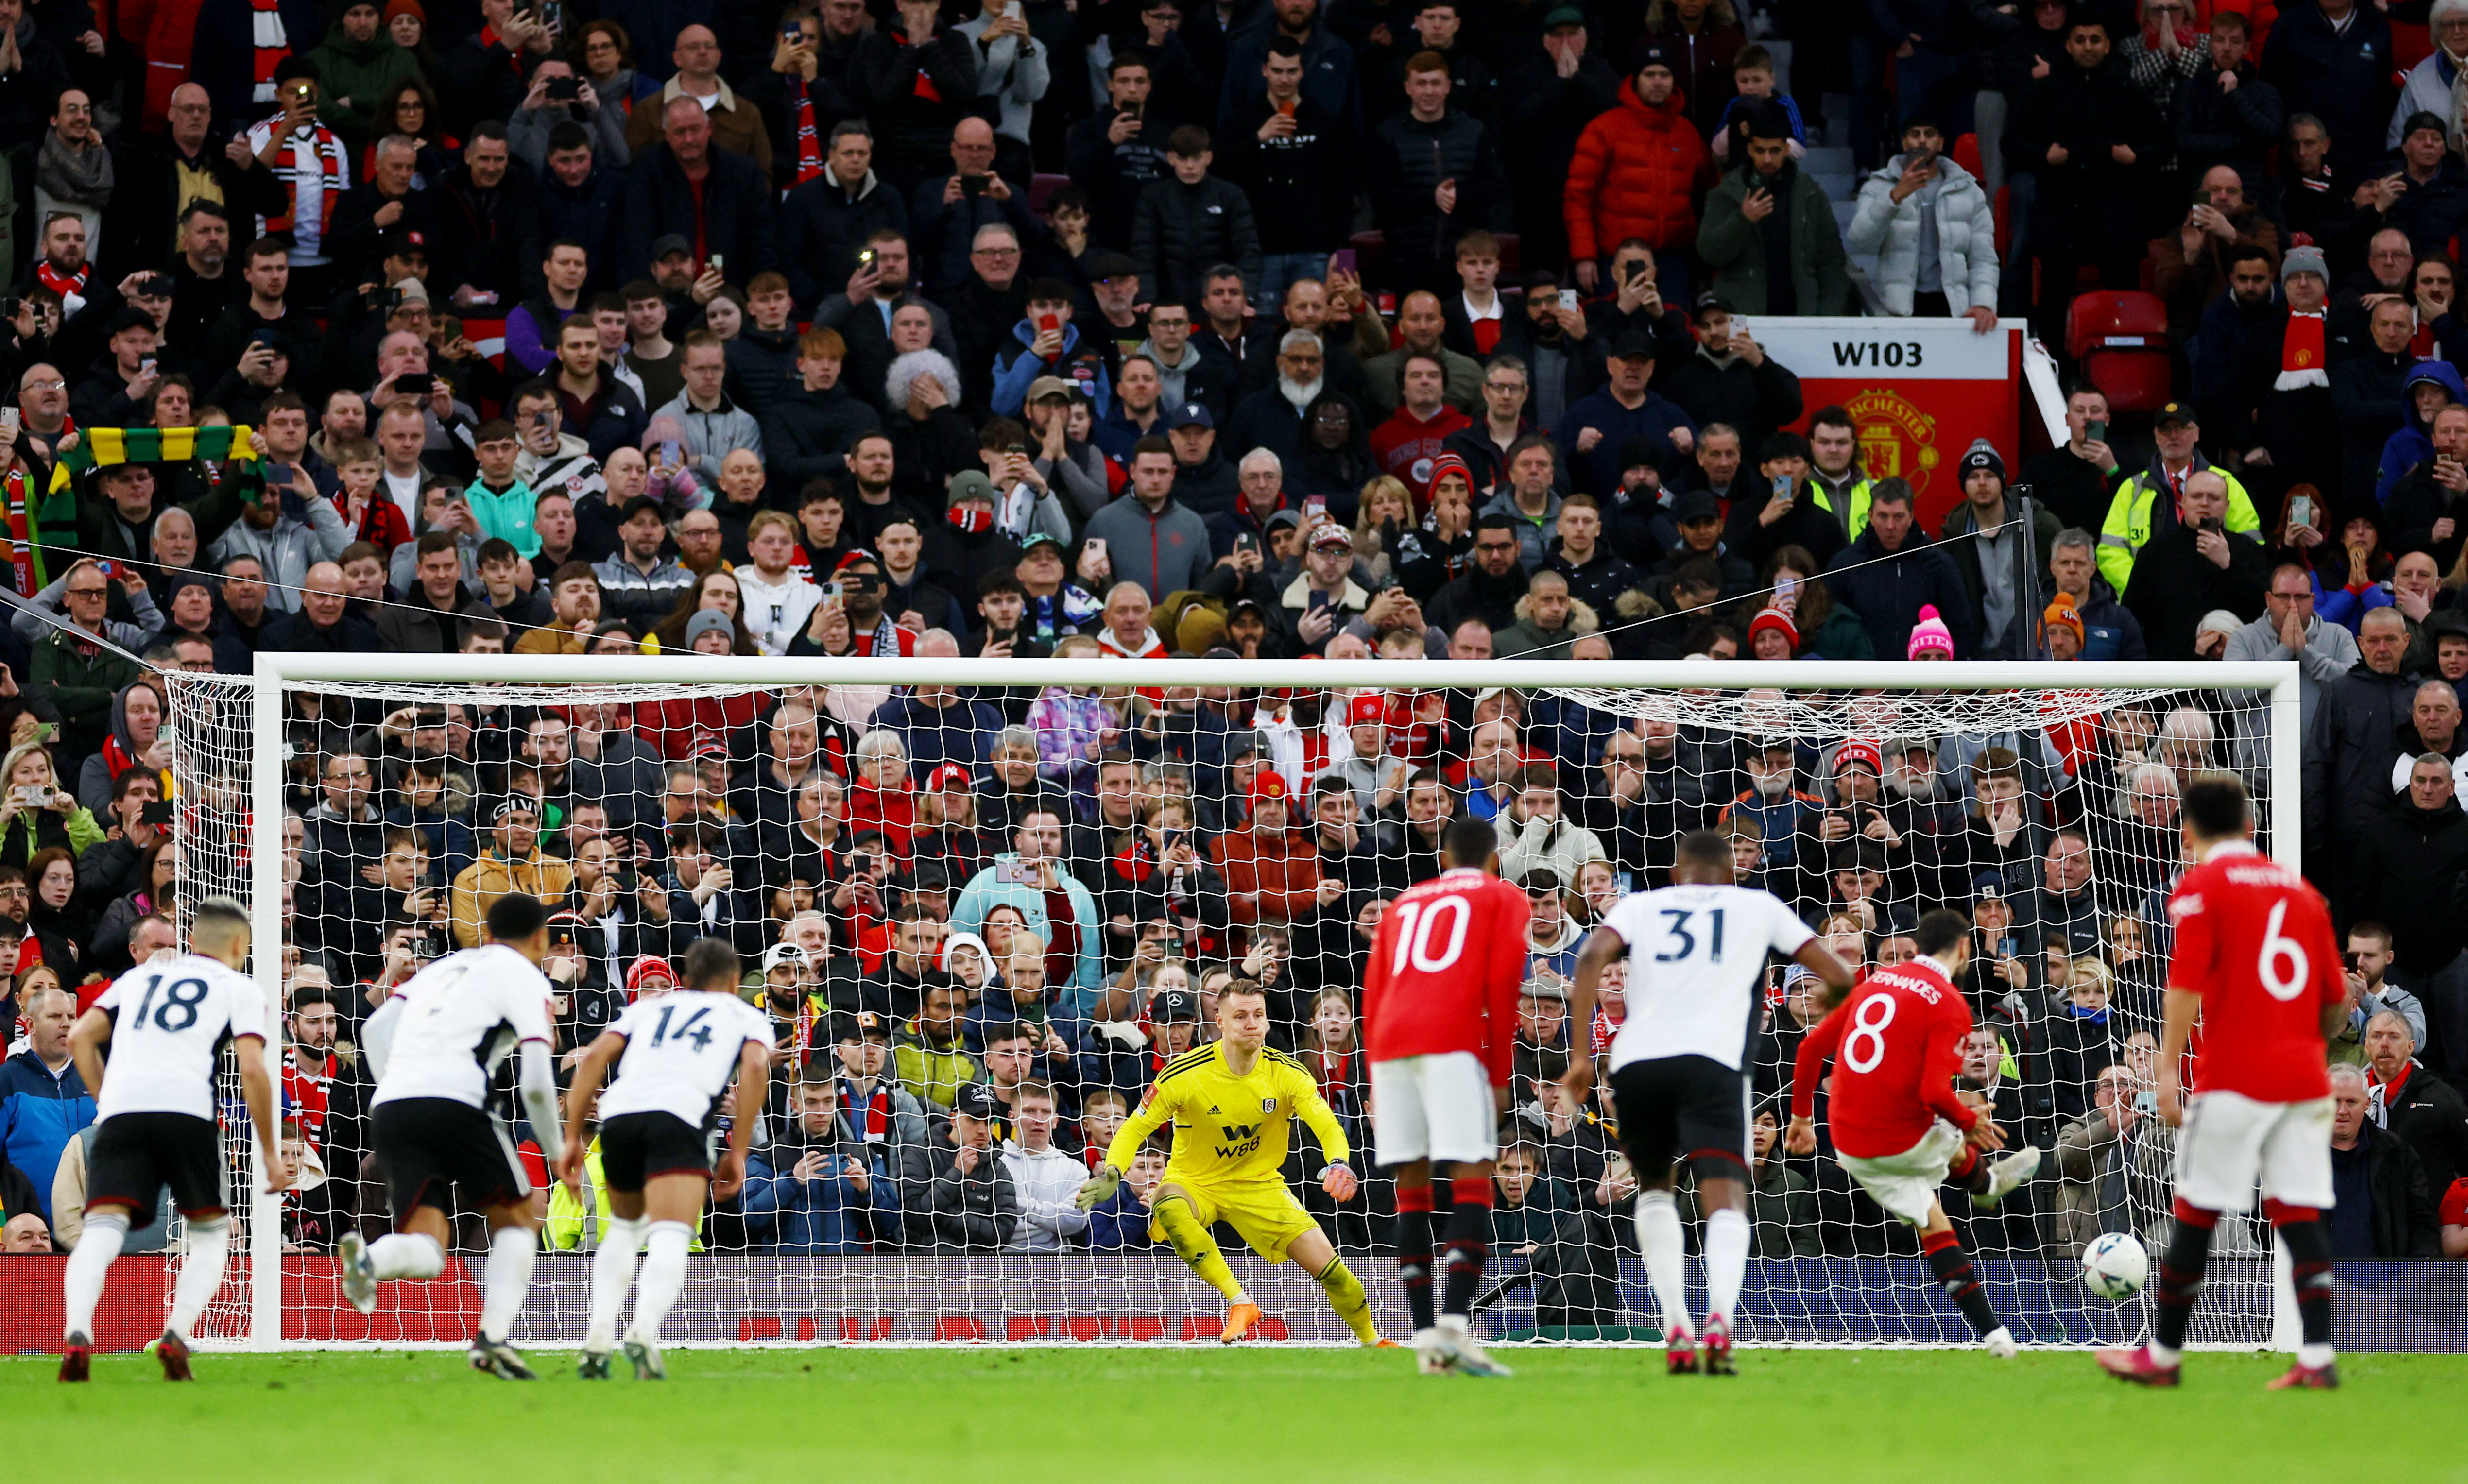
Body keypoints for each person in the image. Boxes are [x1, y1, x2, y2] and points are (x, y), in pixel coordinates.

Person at [1563, 827, 1856, 1374]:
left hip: (1639, 1064)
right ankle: (1719, 1321)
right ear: (1731, 874)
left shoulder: (1643, 906)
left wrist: (1581, 1056)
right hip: (1714, 1065)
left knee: (1653, 1189)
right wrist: (1829, 1026)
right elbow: (1839, 974)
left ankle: (1675, 1322)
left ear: (1676, 874)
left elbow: (1589, 958)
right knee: (1724, 1195)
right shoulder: (1757, 906)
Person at [2097, 773, 2349, 1390]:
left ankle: (2162, 1355)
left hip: (2234, 1075)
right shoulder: (2302, 893)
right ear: (2249, 827)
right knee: (2297, 1207)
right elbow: (2336, 1004)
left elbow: (2183, 985)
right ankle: (2316, 1358)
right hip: (2303, 1077)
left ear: (2186, 832)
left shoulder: (2202, 885)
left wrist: (2165, 1071)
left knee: (2196, 1209)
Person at [1785, 907, 2038, 1357]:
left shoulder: (1873, 984)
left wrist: (1803, 1119)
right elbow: (1934, 1090)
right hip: (1899, 1135)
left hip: (1848, 1140)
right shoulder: (1951, 1002)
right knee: (1950, 1123)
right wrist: (1970, 1121)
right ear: (1964, 948)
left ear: (1918, 947)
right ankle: (1985, 1181)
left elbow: (1809, 1048)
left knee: (1933, 1223)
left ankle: (1996, 1336)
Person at [1074, 980, 1383, 1347]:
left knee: (1335, 1274)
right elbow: (1134, 1128)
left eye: (1258, 1015)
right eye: (1241, 1016)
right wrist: (1114, 1168)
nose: (1252, 1023)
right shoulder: (1185, 1074)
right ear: (1219, 1021)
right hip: (1196, 1181)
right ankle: (1240, 1301)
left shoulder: (1288, 1073)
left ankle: (1373, 1342)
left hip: (1260, 1185)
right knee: (1167, 1204)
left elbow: (1328, 1124)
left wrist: (1339, 1163)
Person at [339, 892, 570, 1381]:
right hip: (459, 1100)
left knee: (428, 1249)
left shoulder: (445, 967)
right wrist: (557, 1152)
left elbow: (375, 1026)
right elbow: (534, 1079)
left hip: (394, 1106)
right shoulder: (527, 975)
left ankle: (371, 1260)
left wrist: (397, 1082)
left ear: (487, 933)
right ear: (540, 939)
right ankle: (492, 1339)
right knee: (523, 1216)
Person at [55, 897, 285, 1382]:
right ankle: (176, 1334)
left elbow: (79, 1037)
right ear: (240, 945)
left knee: (101, 1229)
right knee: (209, 1234)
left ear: (191, 941)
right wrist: (268, 1152)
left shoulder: (137, 978)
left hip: (123, 1114)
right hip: (187, 1113)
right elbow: (252, 1069)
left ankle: (77, 1333)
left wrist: (108, 1101)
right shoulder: (240, 987)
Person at [556, 936, 770, 1381]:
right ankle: (643, 1331)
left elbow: (594, 1056)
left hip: (620, 1121)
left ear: (687, 979)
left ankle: (596, 1341)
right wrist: (740, 1150)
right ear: (734, 980)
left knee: (625, 1230)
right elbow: (753, 1068)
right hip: (678, 1119)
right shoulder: (742, 1013)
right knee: (671, 1232)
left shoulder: (647, 1009)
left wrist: (573, 1134)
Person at [1362, 817, 1530, 1376]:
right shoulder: (1502, 894)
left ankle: (1426, 1341)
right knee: (1472, 1177)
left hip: (1389, 1043)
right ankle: (1456, 1327)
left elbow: (1373, 987)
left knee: (1410, 1185)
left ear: (1444, 855)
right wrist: (1501, 1072)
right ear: (1492, 858)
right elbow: (1504, 981)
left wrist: (1372, 1072)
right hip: (1451, 1039)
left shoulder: (1406, 900)